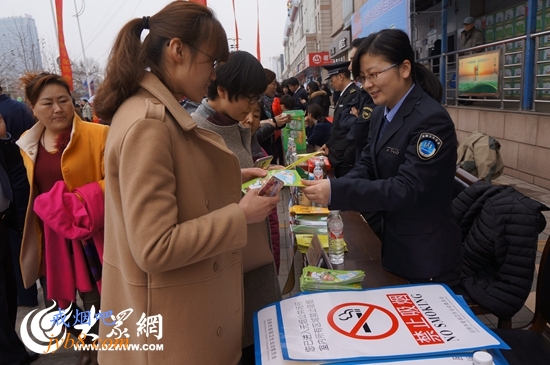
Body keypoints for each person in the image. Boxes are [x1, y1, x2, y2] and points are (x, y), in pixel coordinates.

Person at [92, 2, 278, 364]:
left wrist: (233, 177)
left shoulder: (153, 112)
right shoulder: (150, 123)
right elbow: (155, 246)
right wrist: (241, 217)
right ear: (177, 50)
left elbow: (177, 185)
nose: (213, 75)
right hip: (173, 333)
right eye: (211, 62)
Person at [302, 29, 462, 286]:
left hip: (425, 256)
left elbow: (406, 188)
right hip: (394, 243)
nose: (367, 85)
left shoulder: (431, 120)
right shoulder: (381, 113)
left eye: (374, 75)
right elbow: (367, 164)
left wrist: (336, 191)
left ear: (405, 68)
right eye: (363, 77)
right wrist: (337, 187)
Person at [191, 53, 282, 361]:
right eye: (248, 96)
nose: (252, 105)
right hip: (227, 263)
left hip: (255, 255)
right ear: (223, 90)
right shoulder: (196, 133)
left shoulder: (236, 124)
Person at [17, 71, 108, 364]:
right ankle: (87, 347)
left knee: (98, 300)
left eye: (63, 100)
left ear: (73, 102)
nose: (57, 109)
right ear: (32, 108)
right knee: (60, 305)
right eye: (47, 103)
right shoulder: (27, 144)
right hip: (53, 240)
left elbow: (118, 182)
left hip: (92, 236)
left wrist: (79, 202)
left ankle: (102, 352)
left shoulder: (99, 135)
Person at [0, 115, 39, 365]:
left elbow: (13, 166)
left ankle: (10, 347)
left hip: (4, 220)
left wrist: (3, 137)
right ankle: (10, 355)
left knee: (9, 288)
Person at [0, 86, 37, 307]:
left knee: (15, 242)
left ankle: (26, 294)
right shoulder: (20, 109)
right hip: (27, 178)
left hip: (10, 187)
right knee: (30, 236)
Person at [319, 61, 360, 177]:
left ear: (341, 77)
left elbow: (354, 130)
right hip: (337, 154)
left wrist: (348, 158)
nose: (331, 84)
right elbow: (337, 127)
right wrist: (328, 144)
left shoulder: (354, 94)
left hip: (344, 158)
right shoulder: (344, 94)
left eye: (332, 80)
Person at [258, 68, 290, 165]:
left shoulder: (268, 103)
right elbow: (255, 133)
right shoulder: (257, 104)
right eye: (273, 84)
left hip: (270, 149)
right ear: (264, 84)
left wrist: (281, 122)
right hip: (261, 153)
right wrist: (274, 122)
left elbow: (271, 123)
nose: (276, 87)